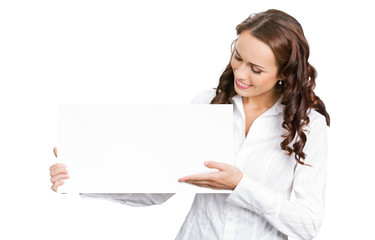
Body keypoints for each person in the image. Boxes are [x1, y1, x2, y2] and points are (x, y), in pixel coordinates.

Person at [49, 9, 330, 240]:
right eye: (238, 57)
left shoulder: (308, 126)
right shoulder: (208, 103)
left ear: (283, 74)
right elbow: (158, 190)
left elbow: (307, 224)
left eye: (256, 69)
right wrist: (83, 176)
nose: (241, 73)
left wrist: (241, 185)